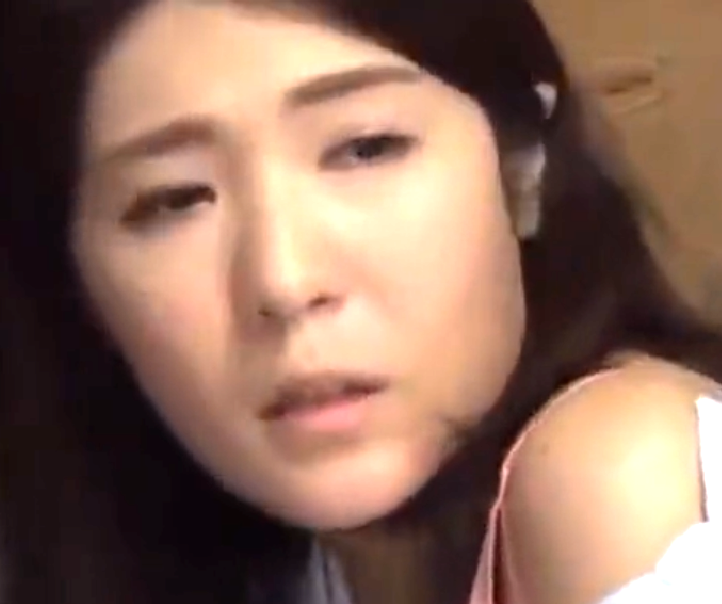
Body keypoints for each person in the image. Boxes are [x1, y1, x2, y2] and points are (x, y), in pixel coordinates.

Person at [0, 1, 720, 603]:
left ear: (523, 165)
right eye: (175, 199)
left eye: (367, 148)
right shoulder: (274, 562)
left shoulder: (626, 476)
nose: (285, 282)